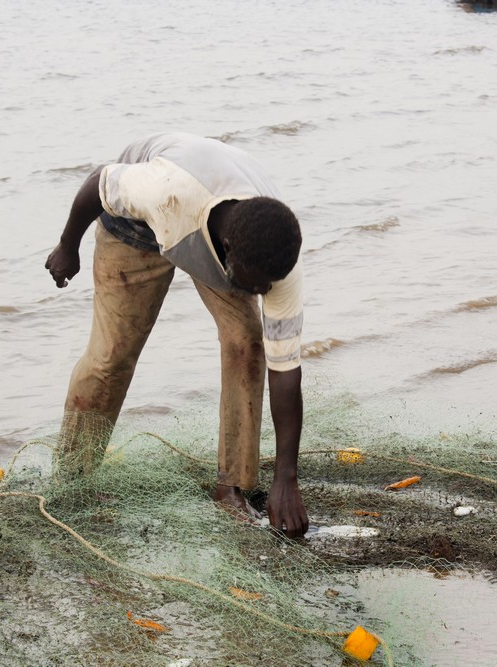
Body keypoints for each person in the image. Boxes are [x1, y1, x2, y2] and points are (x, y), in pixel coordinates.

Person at [44, 132, 309, 538]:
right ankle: (72, 482)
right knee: (110, 357)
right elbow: (98, 183)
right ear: (227, 251)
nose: (262, 295)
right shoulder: (162, 189)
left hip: (220, 233)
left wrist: (285, 479)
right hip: (133, 227)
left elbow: (285, 368)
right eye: (255, 286)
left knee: (248, 343)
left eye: (266, 287)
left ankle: (231, 486)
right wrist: (67, 246)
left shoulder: (275, 260)